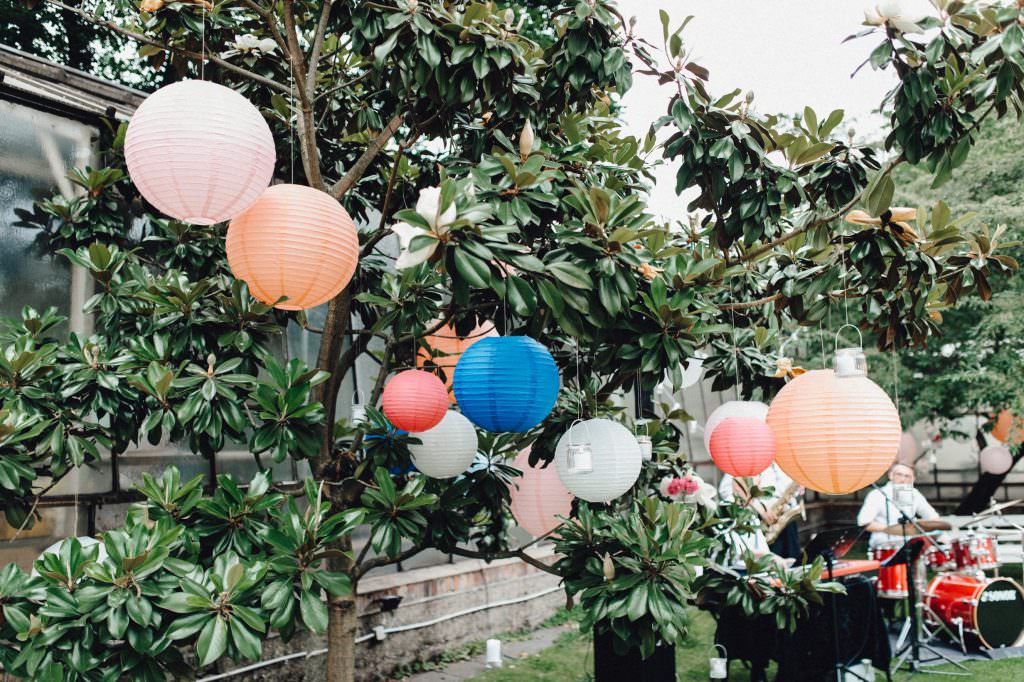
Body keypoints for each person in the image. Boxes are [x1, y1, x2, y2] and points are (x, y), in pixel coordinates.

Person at [719, 463, 803, 559]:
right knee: (770, 563)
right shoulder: (747, 456)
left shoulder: (785, 458)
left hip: (786, 518)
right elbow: (726, 489)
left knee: (793, 561)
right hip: (761, 521)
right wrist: (760, 508)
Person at [857, 463, 940, 548]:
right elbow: (864, 522)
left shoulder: (915, 494)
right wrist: (894, 529)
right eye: (899, 475)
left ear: (913, 479)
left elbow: (933, 517)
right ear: (890, 475)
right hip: (884, 545)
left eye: (907, 476)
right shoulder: (877, 495)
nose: (903, 479)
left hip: (910, 545)